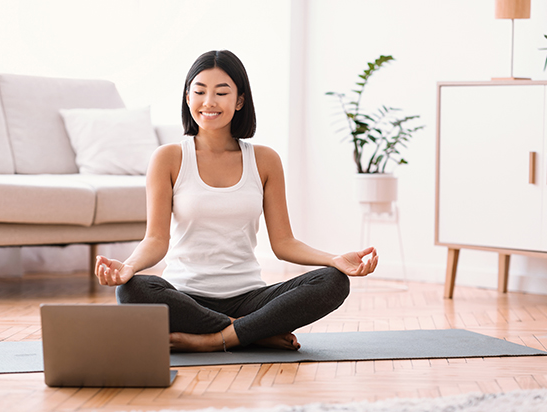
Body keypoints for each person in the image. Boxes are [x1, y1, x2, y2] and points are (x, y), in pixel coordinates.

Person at [94, 50, 378, 353]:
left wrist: (333, 259)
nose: (209, 102)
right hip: (185, 296)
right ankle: (251, 331)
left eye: (221, 92)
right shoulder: (168, 158)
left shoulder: (265, 160)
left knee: (333, 282)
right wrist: (128, 267)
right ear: (187, 98)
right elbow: (156, 239)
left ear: (240, 101)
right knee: (132, 289)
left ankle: (215, 338)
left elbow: (283, 242)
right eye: (199, 91)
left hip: (248, 296)